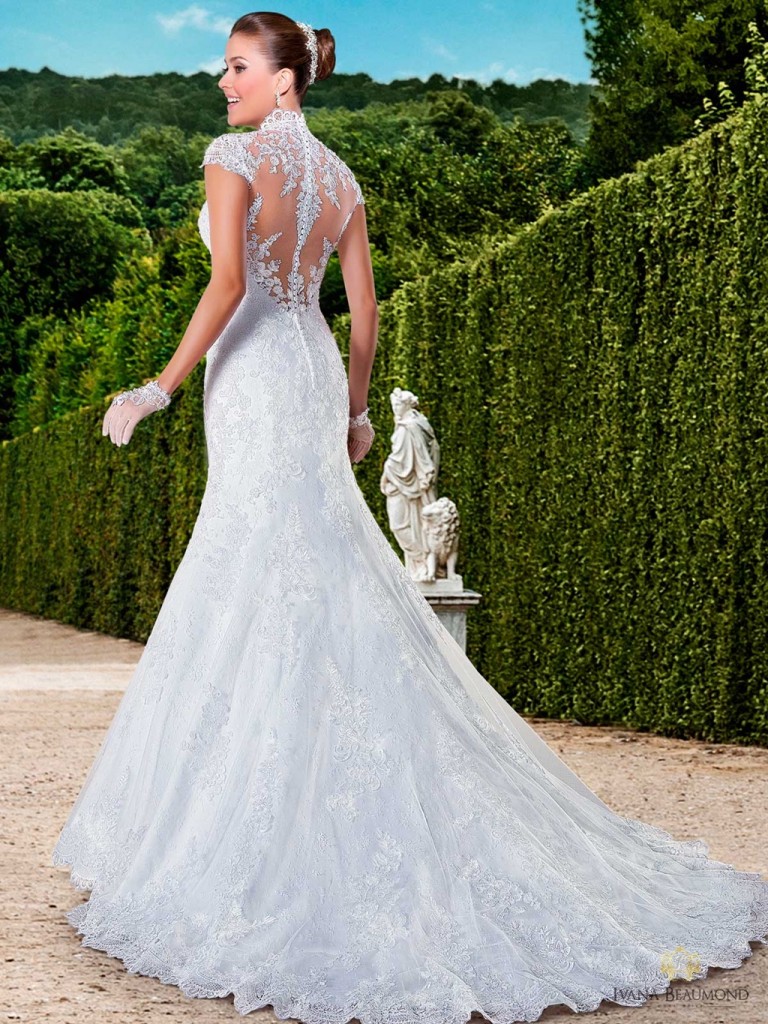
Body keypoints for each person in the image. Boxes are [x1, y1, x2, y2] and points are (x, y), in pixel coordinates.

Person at [52, 11, 768, 1023]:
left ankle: (227, 829)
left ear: (284, 80)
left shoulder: (231, 156)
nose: (223, 83)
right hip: (308, 370)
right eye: (224, 69)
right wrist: (354, 413)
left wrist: (157, 387)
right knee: (315, 560)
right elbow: (365, 310)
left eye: (239, 67)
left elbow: (227, 284)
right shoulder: (342, 179)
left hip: (252, 372)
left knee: (249, 563)